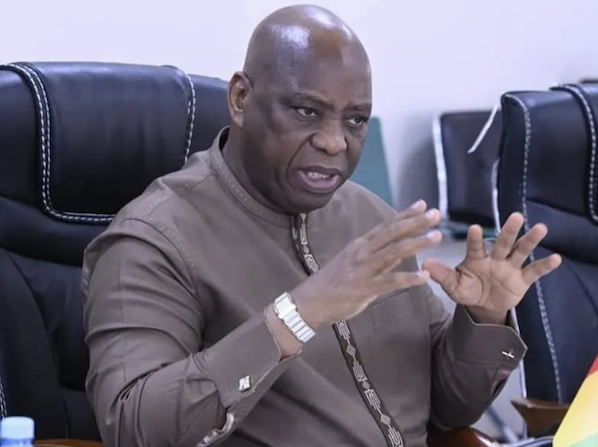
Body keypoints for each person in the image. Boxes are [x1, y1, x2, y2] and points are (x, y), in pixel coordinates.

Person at [81, 5, 562, 447]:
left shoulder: (374, 220)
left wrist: (483, 318)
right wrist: (298, 314)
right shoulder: (154, 238)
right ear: (241, 98)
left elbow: (447, 410)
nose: (334, 142)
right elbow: (131, 429)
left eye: (355, 120)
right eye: (306, 111)